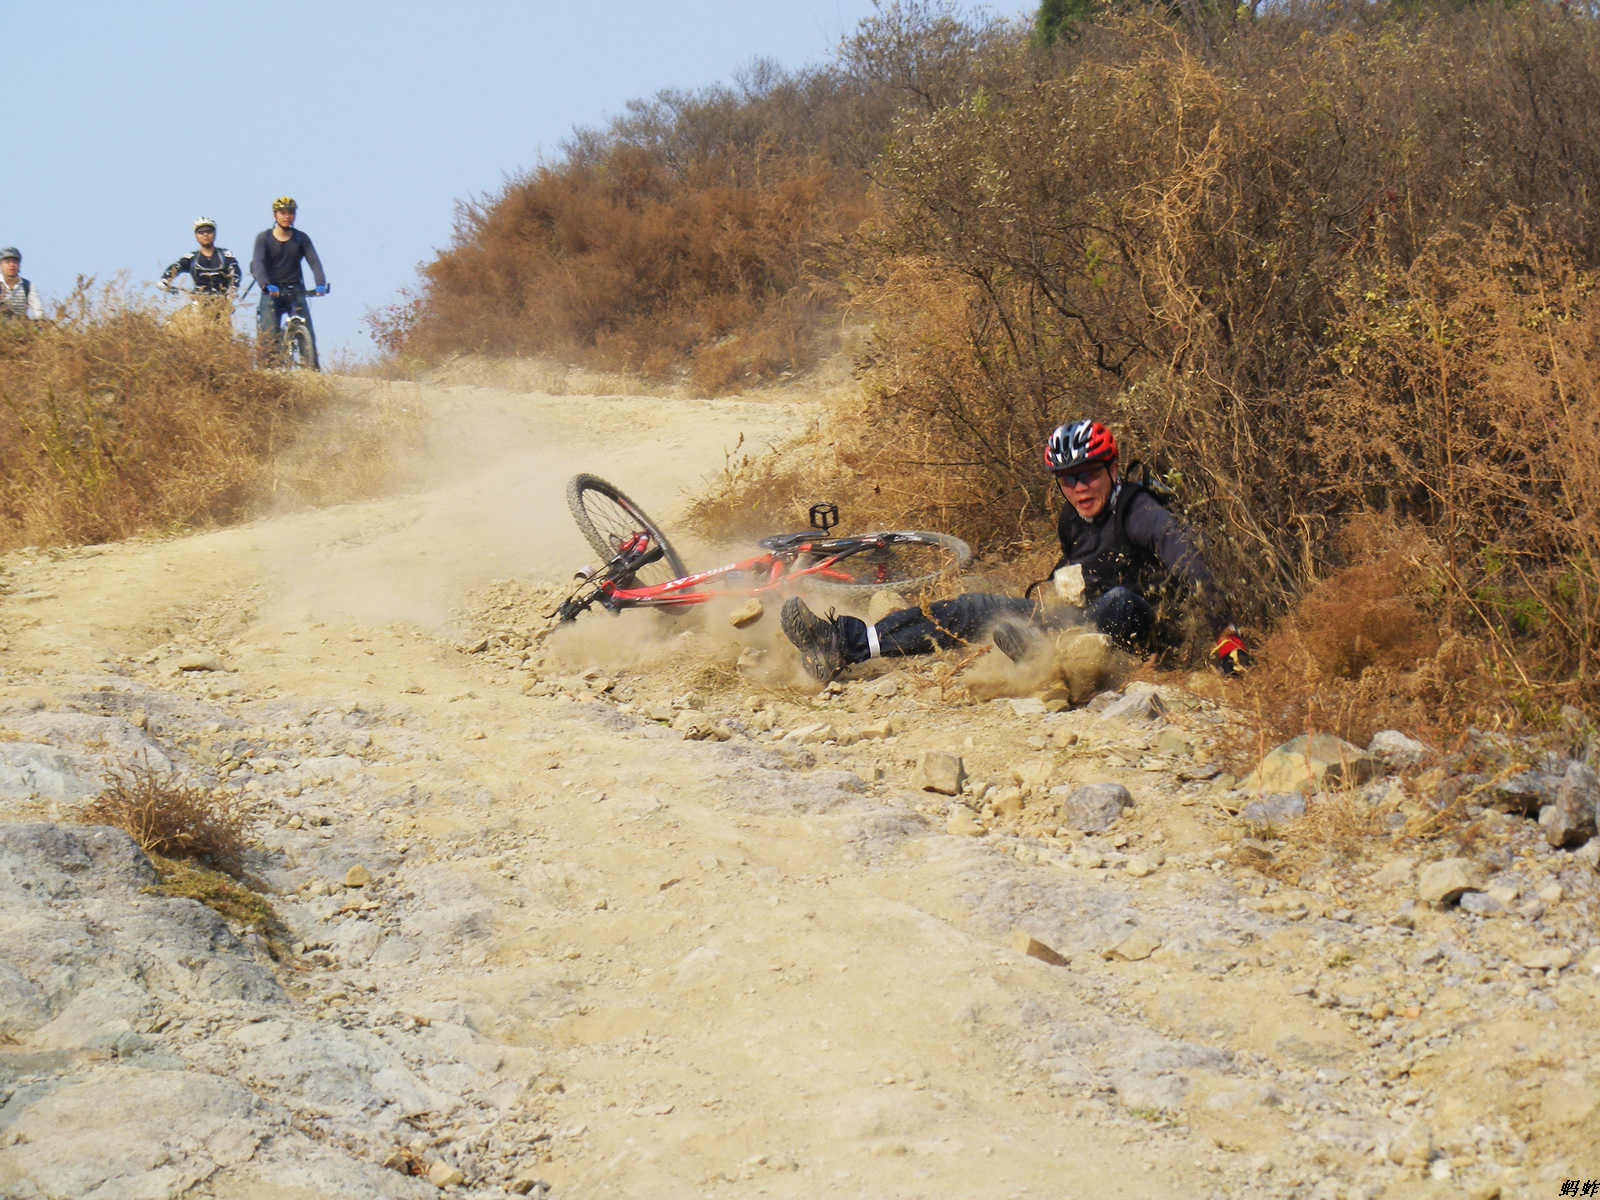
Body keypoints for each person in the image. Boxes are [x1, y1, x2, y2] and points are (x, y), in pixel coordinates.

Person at [780, 418, 1251, 681]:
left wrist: (1224, 632)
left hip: (1141, 630)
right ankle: (845, 644)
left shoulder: (1138, 510)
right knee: (975, 607)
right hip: (1075, 623)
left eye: (1089, 473)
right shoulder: (1073, 519)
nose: (1080, 487)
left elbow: (1190, 561)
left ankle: (1046, 659)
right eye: (1068, 479)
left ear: (1111, 469)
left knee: (1118, 601)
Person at [250, 195, 328, 366]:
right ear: (275, 215)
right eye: (283, 213)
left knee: (308, 333)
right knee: (269, 336)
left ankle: (313, 373)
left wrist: (320, 284)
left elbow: (314, 262)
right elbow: (258, 263)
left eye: (291, 213)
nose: (287, 216)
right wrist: (265, 284)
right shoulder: (264, 238)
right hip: (272, 292)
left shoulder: (301, 238)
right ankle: (268, 372)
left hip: (295, 291)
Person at [160, 218, 242, 296]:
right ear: (196, 235)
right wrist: (165, 280)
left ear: (215, 233)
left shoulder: (225, 255)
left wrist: (232, 291)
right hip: (198, 302)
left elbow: (236, 273)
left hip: (222, 302)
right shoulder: (191, 258)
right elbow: (176, 267)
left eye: (209, 231)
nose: (205, 235)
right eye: (201, 232)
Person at [0, 247, 43, 320]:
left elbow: (38, 311)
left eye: (15, 262)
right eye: (8, 262)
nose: (12, 265)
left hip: (20, 327)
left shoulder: (28, 286)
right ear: (0, 265)